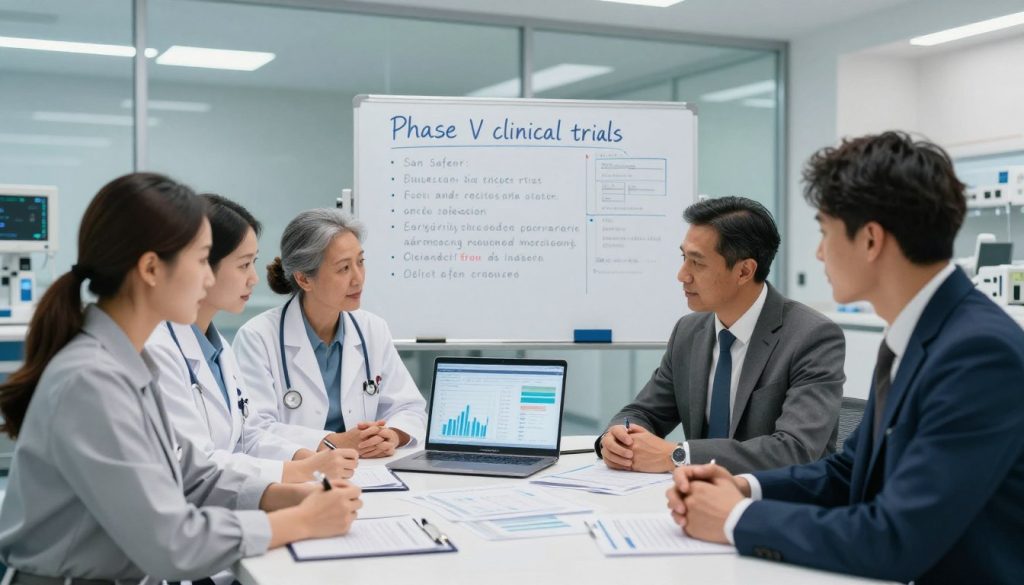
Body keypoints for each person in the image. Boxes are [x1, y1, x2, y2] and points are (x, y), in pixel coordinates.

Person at [667, 132, 1024, 584]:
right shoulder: (918, 332)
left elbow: (896, 539)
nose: (819, 252)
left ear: (870, 240)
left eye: (825, 232)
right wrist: (744, 487)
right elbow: (847, 471)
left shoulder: (978, 354)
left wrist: (735, 519)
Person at [0, 173, 361, 584]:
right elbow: (170, 544)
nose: (208, 279)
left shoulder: (127, 364)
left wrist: (284, 496)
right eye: (201, 260)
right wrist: (300, 521)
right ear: (152, 268)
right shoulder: (91, 380)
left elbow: (192, 475)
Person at [598, 196, 845, 474]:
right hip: (695, 500)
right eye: (684, 258)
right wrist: (617, 437)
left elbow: (796, 449)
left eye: (697, 263)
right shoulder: (688, 332)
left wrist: (679, 454)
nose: (682, 275)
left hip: (776, 504)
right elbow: (644, 413)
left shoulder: (812, 337)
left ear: (744, 271)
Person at [145, 194, 359, 488]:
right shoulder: (157, 351)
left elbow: (248, 436)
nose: (254, 278)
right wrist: (298, 472)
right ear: (200, 265)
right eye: (243, 265)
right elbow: (195, 465)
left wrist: (306, 458)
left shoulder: (219, 349)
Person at [234, 209, 426, 458]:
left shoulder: (372, 329)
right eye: (344, 268)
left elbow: (409, 407)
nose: (358, 279)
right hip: (298, 476)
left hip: (369, 471)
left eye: (360, 262)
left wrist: (392, 434)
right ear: (304, 279)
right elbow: (254, 431)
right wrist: (335, 442)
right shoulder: (258, 337)